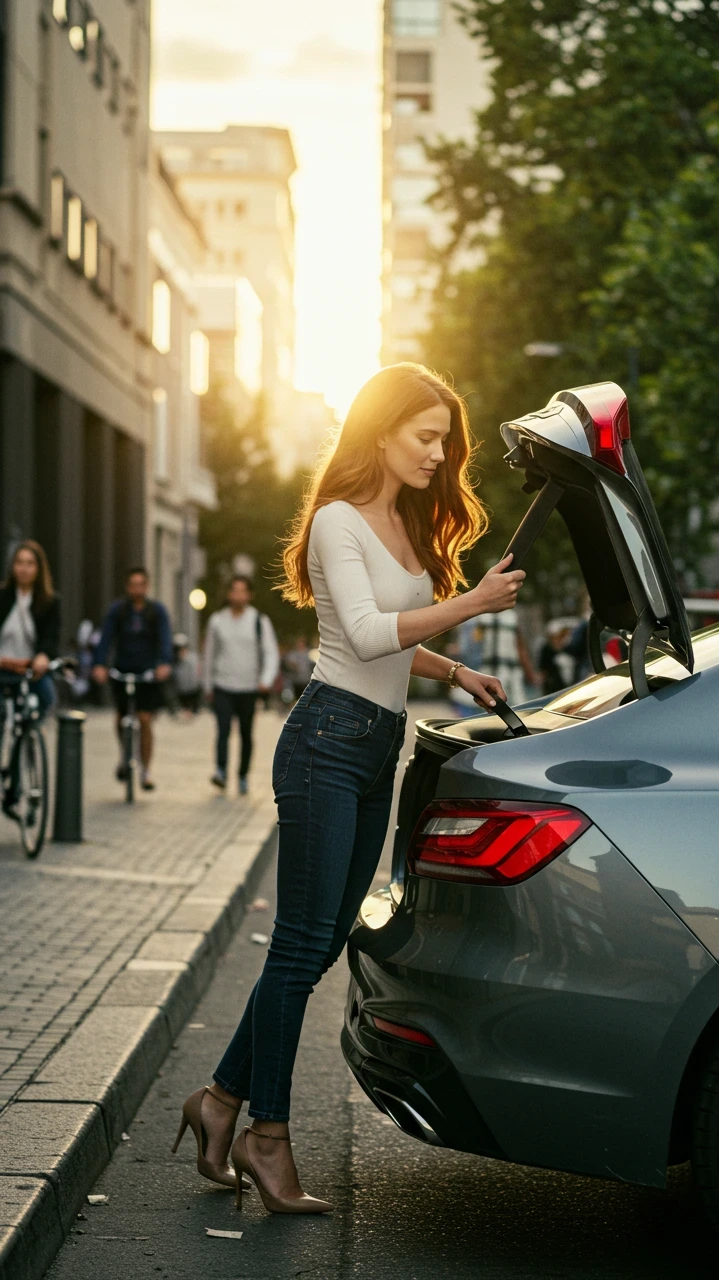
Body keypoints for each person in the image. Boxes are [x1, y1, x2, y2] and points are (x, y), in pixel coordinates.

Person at [174, 362, 525, 1212]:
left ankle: (216, 1100)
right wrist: (471, 604)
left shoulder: (402, 524)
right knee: (299, 947)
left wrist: (455, 670)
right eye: (426, 436)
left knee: (320, 944)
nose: (440, 455)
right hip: (325, 743)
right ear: (380, 430)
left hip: (374, 749)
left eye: (446, 441)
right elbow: (364, 636)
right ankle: (268, 1136)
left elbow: (393, 643)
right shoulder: (337, 519)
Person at [92, 567, 173, 791]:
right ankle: (124, 754)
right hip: (122, 670)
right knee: (120, 717)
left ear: (147, 586)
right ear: (127, 587)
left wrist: (164, 663)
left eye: (141, 584)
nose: (137, 589)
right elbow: (105, 637)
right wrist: (99, 664)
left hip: (147, 674)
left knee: (145, 719)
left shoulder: (156, 611)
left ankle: (146, 769)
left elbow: (165, 639)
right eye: (133, 584)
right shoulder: (118, 611)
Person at [203, 576, 279, 795]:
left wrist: (266, 679)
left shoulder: (259, 621)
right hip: (223, 685)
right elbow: (209, 655)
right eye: (234, 591)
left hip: (248, 687)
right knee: (223, 730)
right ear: (228, 594)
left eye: (242, 591)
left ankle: (243, 775)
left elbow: (270, 652)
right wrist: (207, 686)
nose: (238, 595)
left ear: (249, 594)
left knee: (246, 733)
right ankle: (221, 771)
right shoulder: (217, 621)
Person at [0, 541, 60, 813]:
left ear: (38, 568)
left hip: (29, 671)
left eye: (29, 563)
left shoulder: (49, 602)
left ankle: (26, 748)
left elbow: (50, 640)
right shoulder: (2, 597)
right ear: (13, 567)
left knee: (45, 698)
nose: (24, 569)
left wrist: (43, 657)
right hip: (1, 669)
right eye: (19, 563)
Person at [172, 634, 202, 717]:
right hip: (180, 692)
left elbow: (196, 675)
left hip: (193, 691)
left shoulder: (193, 657)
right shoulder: (174, 660)